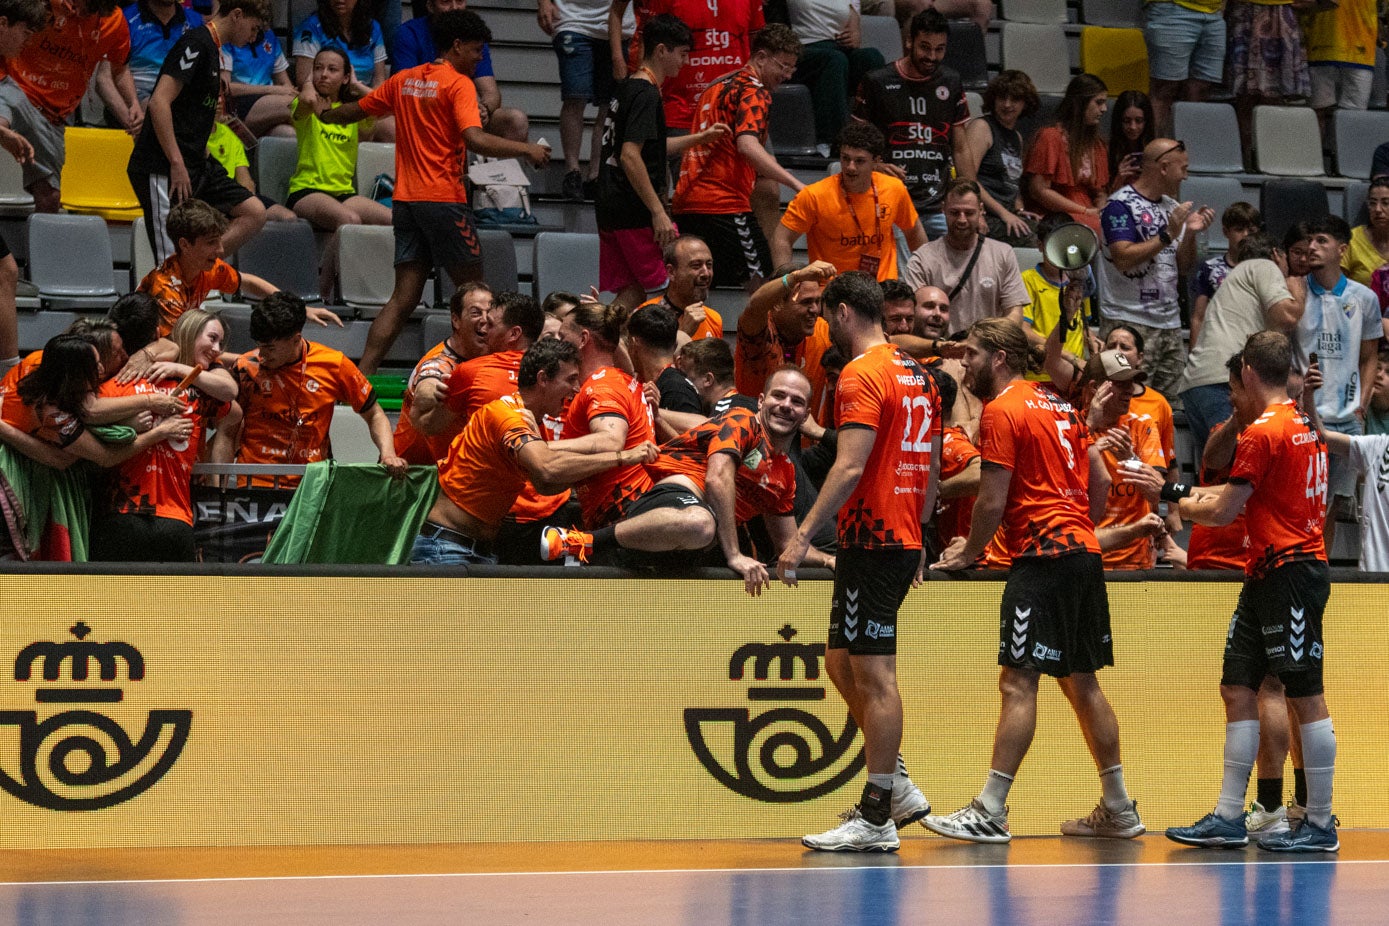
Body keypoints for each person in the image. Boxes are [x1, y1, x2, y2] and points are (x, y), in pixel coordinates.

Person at [928, 317, 1143, 844]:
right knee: (1083, 683)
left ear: (1000, 358)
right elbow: (1095, 476)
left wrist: (968, 553)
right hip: (1083, 554)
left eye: (973, 355)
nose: (966, 364)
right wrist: (1081, 526)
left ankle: (991, 809)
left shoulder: (1004, 409)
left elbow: (993, 498)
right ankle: (1118, 807)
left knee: (1018, 681)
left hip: (1043, 559)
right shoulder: (1059, 404)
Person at [775, 271, 940, 853]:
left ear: (843, 312)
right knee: (840, 663)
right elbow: (932, 464)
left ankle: (876, 814)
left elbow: (848, 466)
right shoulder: (918, 373)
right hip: (892, 536)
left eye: (825, 313)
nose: (823, 322)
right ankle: (895, 785)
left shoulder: (859, 373)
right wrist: (921, 534)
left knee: (873, 674)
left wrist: (800, 538)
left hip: (873, 538)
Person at [1165, 330, 1339, 853]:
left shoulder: (1264, 432)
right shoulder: (1306, 423)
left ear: (1245, 375)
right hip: (1269, 570)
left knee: (1304, 692)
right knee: (1238, 684)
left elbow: (1222, 510)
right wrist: (1179, 493)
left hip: (1290, 571)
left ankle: (1320, 823)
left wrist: (1174, 500)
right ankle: (1228, 815)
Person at [316, 9, 551, 375]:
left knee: (402, 299)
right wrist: (526, 150)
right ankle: (496, 377)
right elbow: (474, 138)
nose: (479, 58)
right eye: (475, 51)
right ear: (456, 46)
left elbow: (353, 111)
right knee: (479, 296)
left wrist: (323, 114)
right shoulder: (458, 85)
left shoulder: (404, 80)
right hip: (444, 201)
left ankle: (360, 378)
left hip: (407, 204)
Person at [543, 366, 834, 587]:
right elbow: (717, 478)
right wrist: (734, 555)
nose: (786, 405)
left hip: (690, 542)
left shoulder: (785, 474)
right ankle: (584, 542)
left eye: (796, 401)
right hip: (672, 503)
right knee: (702, 524)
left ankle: (607, 553)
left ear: (805, 414)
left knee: (707, 538)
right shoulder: (743, 421)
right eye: (779, 395)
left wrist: (831, 560)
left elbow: (788, 546)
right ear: (760, 401)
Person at [410, 338, 657, 565]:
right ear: (543, 379)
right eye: (570, 379)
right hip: (446, 547)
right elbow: (547, 470)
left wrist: (592, 473)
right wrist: (623, 457)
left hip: (479, 548)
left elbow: (545, 485)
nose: (576, 388)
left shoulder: (532, 422)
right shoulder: (509, 415)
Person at [595, 14, 729, 310]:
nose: (685, 62)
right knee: (670, 290)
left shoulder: (629, 87)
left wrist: (700, 138)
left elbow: (649, 150)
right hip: (634, 212)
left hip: (610, 210)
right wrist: (658, 211)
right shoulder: (646, 95)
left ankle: (590, 338)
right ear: (660, 50)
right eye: (681, 54)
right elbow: (630, 155)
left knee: (631, 295)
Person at [126, 0, 270, 264]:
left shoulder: (214, 52)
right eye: (253, 28)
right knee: (168, 262)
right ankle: (181, 278)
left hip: (197, 163)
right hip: (162, 166)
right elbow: (159, 102)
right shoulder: (195, 43)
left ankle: (195, 268)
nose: (254, 37)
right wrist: (176, 162)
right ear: (237, 15)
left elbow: (193, 114)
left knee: (254, 212)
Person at [90, 309, 240, 562]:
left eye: (220, 343)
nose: (217, 349)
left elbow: (88, 412)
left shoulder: (124, 381)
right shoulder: (200, 394)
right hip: (156, 517)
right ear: (189, 334)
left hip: (132, 514)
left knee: (113, 602)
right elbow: (234, 413)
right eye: (212, 338)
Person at [670, 23, 806, 291]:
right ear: (762, 57)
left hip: (687, 202)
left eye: (792, 68)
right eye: (783, 66)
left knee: (695, 289)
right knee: (765, 287)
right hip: (724, 204)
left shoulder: (716, 85)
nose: (787, 75)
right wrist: (796, 183)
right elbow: (747, 145)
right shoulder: (755, 91)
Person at [231, 293, 407, 487]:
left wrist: (388, 453)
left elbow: (374, 414)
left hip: (312, 483)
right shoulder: (246, 367)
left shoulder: (334, 364)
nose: (262, 354)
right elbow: (227, 428)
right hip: (254, 482)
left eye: (270, 348)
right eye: (258, 346)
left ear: (296, 339)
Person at [130, 199, 339, 358]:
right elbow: (182, 351)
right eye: (211, 243)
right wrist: (256, 359)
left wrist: (299, 307)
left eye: (219, 241)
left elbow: (247, 281)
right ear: (185, 245)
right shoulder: (165, 289)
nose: (220, 250)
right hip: (149, 357)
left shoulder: (206, 268)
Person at [1096, 137, 1215, 398]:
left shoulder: (1172, 208)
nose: (1185, 176)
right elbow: (1123, 257)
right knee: (1124, 402)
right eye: (1182, 169)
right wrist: (1167, 234)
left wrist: (1191, 233)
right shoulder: (1120, 205)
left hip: (1168, 323)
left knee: (1164, 407)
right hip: (1128, 322)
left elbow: (1183, 267)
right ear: (1163, 167)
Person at [0, 0, 138, 214]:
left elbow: (119, 69)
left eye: (86, 9)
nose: (77, 11)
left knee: (51, 197)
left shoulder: (114, 23)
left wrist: (133, 103)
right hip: (17, 85)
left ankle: (42, 245)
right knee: (6, 101)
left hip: (54, 115)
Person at [1292, 214, 1381, 546]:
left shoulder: (1365, 298)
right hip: (1306, 416)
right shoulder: (1297, 290)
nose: (1312, 247)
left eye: (1321, 242)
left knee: (1332, 506)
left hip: (1346, 420)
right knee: (1305, 502)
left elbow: (1369, 356)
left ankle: (1321, 571)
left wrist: (1363, 401)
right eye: (1310, 241)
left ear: (1342, 250)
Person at [1177, 232, 1304, 460]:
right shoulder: (1265, 266)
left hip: (1198, 383)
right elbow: (1288, 316)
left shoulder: (1238, 278)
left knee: (1215, 474)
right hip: (1224, 382)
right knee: (1241, 472)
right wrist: (1298, 289)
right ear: (1277, 254)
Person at [853, 9, 972, 240]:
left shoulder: (952, 81)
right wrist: (875, 166)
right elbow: (854, 142)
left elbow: (961, 148)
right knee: (905, 273)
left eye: (940, 49)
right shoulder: (876, 81)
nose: (932, 56)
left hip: (938, 204)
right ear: (909, 41)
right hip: (890, 198)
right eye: (925, 47)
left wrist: (970, 197)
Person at [288, 47, 392, 298]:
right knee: (349, 220)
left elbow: (385, 105)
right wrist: (307, 83)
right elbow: (307, 102)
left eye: (332, 70)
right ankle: (323, 290)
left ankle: (380, 290)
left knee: (395, 220)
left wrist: (356, 86)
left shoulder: (352, 112)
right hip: (306, 191)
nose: (323, 74)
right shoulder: (304, 105)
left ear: (346, 77)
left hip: (344, 192)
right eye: (318, 68)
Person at [771, 122, 925, 280]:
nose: (850, 167)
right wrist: (785, 284)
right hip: (832, 292)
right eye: (845, 158)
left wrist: (921, 280)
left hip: (881, 290)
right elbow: (782, 238)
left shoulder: (894, 188)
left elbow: (914, 232)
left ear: (876, 161)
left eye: (859, 161)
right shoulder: (814, 195)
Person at [554, 301, 658, 528]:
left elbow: (611, 440)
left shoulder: (602, 387)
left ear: (583, 339)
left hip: (621, 514)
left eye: (562, 338)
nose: (557, 346)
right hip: (629, 511)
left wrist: (540, 448)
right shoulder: (624, 379)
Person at [606, 0, 762, 147]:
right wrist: (643, 87)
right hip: (680, 112)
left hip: (736, 110)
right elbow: (648, 42)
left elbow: (760, 47)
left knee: (758, 172)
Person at [902, 179, 1030, 339]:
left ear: (981, 210)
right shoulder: (922, 258)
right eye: (955, 213)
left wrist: (990, 343)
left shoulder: (1003, 253)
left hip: (987, 350)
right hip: (938, 350)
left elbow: (1014, 311)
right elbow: (913, 315)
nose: (962, 220)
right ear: (943, 210)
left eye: (969, 213)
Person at [395, 0, 528, 141]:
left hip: (463, 114)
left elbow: (491, 92)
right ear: (430, 6)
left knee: (515, 119)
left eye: (459, 1)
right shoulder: (410, 33)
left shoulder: (474, 35)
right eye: (445, 2)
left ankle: (505, 162)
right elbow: (405, 90)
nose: (454, 7)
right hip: (422, 113)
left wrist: (484, 110)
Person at [394, 283, 492, 465]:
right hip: (412, 475)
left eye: (490, 313)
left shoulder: (489, 357)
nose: (485, 319)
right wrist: (440, 393)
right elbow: (427, 386)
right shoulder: (438, 361)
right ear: (456, 320)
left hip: (455, 471)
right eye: (476, 313)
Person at [735, 260, 836, 424]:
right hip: (753, 440)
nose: (815, 310)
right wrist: (795, 277)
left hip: (802, 446)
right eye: (806, 302)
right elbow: (755, 305)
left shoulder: (822, 331)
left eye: (817, 302)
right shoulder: (758, 329)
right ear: (777, 305)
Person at [786, 0, 885, 149]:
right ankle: (832, 142)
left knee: (871, 57)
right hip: (802, 49)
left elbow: (854, 21)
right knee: (835, 60)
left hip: (839, 47)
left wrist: (855, 34)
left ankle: (877, 139)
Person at [1023, 74, 1110, 236]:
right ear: (1079, 104)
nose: (1104, 109)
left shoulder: (1097, 145)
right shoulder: (1050, 137)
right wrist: (1085, 211)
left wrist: (1100, 209)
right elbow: (1039, 191)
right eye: (1099, 102)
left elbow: (1100, 192)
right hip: (1058, 213)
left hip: (1088, 210)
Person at [1225, 0, 1308, 165]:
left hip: (1281, 12)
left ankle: (1271, 161)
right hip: (1245, 12)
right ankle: (1245, 160)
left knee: (1274, 97)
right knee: (1244, 95)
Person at [964, 69, 1039, 247]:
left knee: (1052, 231)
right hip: (983, 214)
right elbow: (968, 180)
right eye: (1002, 98)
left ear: (1025, 103)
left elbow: (1012, 182)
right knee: (1040, 242)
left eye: (1014, 99)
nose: (1007, 104)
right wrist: (1005, 214)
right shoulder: (981, 127)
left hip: (1007, 213)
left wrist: (1020, 211)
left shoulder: (1017, 137)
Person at [1022, 213, 1099, 378]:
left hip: (1074, 374)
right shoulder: (1028, 280)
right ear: (1041, 246)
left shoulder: (1080, 278)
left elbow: (1081, 325)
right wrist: (1067, 355)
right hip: (1041, 374)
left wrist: (1091, 340)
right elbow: (1024, 331)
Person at [1142, 0, 1224, 136]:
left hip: (1214, 14)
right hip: (1171, 8)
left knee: (1201, 89)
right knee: (1165, 88)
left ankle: (1187, 151)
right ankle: (1156, 152)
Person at [1303, 0, 1377, 143]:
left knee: (1355, 116)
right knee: (1315, 113)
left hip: (1361, 50)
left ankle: (1348, 161)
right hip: (1319, 45)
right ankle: (1314, 160)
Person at [626, 303, 701, 425]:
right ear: (675, 345)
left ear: (634, 343)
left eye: (627, 341)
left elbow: (695, 437)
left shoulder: (676, 390)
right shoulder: (664, 382)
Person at [636, 236, 724, 341]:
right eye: (696, 266)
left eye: (709, 265)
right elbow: (645, 357)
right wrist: (684, 333)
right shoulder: (646, 316)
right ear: (671, 272)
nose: (706, 273)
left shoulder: (713, 319)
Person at [1191, 202, 1262, 329]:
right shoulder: (1210, 268)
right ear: (1225, 231)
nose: (1245, 235)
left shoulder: (1264, 268)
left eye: (1251, 231)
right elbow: (1198, 318)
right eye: (1239, 229)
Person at [122, 0, 203, 104]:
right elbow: (113, 74)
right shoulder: (126, 19)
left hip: (182, 97)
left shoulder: (195, 21)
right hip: (138, 98)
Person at [221, 26, 296, 137]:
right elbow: (225, 88)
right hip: (239, 103)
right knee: (296, 105)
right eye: (252, 28)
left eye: (258, 29)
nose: (254, 35)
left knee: (290, 134)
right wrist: (272, 90)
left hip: (268, 103)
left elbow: (285, 83)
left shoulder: (269, 35)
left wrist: (290, 91)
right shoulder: (228, 40)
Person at [1342, 175, 1389, 287]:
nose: (1377, 209)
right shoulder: (1352, 239)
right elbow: (1338, 289)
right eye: (1372, 203)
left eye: (1386, 203)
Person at [1105, 89, 1154, 192]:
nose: (1133, 127)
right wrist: (1119, 178)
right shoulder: (1106, 151)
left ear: (1146, 121)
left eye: (1139, 121)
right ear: (1119, 121)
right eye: (1127, 121)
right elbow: (1107, 199)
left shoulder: (1157, 151)